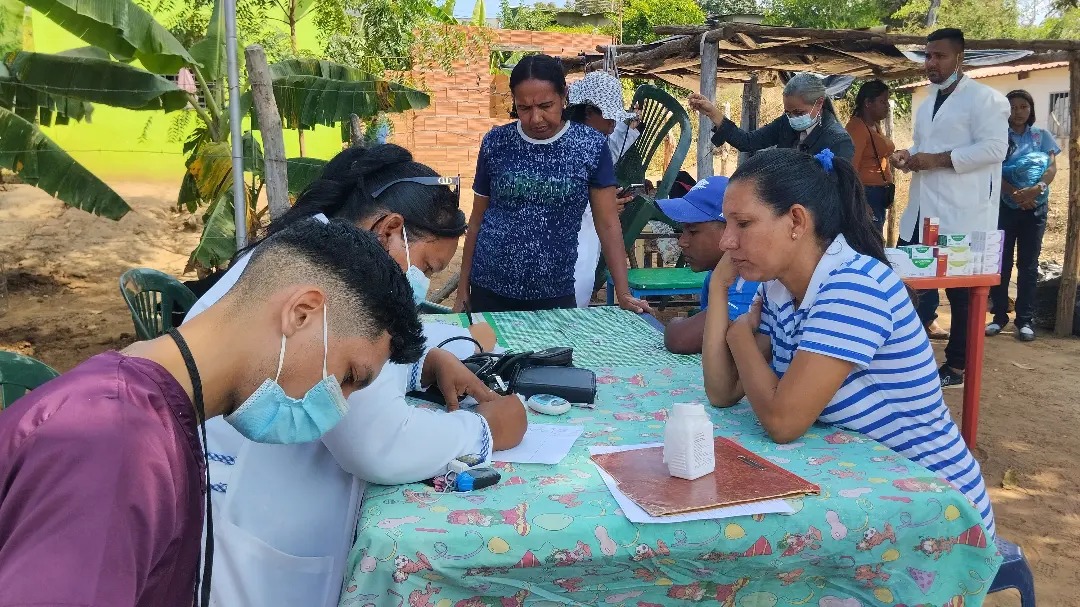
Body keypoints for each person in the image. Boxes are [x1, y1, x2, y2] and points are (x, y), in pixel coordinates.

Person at [0, 219, 427, 606]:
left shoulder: (163, 415)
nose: (340, 404)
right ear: (301, 313)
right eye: (349, 375)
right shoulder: (116, 445)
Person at [184, 145, 528, 607]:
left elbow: (328, 375)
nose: (420, 286)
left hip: (236, 509)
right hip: (248, 537)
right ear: (389, 230)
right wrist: (483, 430)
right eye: (426, 268)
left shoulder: (307, 250)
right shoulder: (340, 286)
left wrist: (422, 363)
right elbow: (375, 442)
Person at [702, 147, 995, 537]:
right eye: (726, 225)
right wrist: (719, 288)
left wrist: (739, 336)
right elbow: (723, 391)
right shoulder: (779, 286)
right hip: (867, 490)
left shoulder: (853, 287)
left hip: (934, 506)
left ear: (795, 221)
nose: (726, 241)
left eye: (742, 224)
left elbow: (782, 421)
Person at [455, 54, 651, 314]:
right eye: (524, 108)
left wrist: (624, 294)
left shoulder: (590, 146)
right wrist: (462, 288)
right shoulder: (496, 143)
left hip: (555, 293)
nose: (536, 118)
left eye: (546, 105)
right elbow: (478, 219)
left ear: (564, 96)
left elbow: (607, 223)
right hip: (489, 289)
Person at [892, 28, 1010, 388]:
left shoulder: (986, 100)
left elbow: (995, 149)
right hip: (921, 211)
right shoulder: (928, 100)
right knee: (904, 284)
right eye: (928, 56)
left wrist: (939, 160)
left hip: (962, 213)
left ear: (959, 57)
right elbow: (925, 144)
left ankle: (957, 367)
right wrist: (908, 154)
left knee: (961, 295)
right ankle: (901, 360)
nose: (932, 63)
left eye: (940, 56)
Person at [986, 89, 1060, 342]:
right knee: (1001, 263)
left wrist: (1035, 190)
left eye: (1023, 107)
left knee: (1028, 265)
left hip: (1035, 208)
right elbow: (993, 169)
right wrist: (1015, 193)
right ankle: (998, 317)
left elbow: (1051, 168)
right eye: (1013, 107)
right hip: (1005, 207)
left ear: (1031, 110)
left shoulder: (1042, 136)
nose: (1018, 112)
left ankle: (1025, 320)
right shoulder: (997, 137)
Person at [659, 176, 760, 355]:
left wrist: (675, 322)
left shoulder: (750, 279)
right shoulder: (716, 275)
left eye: (693, 231)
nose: (682, 242)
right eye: (683, 231)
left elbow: (681, 339)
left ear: (730, 229)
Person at [566, 70, 641, 307]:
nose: (612, 125)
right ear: (588, 113)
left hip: (587, 239)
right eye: (609, 118)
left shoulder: (597, 140)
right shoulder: (570, 145)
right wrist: (599, 205)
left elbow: (614, 145)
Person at [688, 72, 855, 161]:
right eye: (788, 113)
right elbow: (748, 141)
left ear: (819, 104)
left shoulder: (838, 141)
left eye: (798, 113)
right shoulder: (786, 124)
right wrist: (712, 112)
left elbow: (835, 194)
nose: (793, 118)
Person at [846, 79, 896, 234]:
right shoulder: (857, 128)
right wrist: (861, 202)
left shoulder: (873, 126)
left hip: (877, 195)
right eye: (883, 101)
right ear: (868, 103)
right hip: (866, 194)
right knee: (870, 241)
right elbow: (850, 168)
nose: (887, 105)